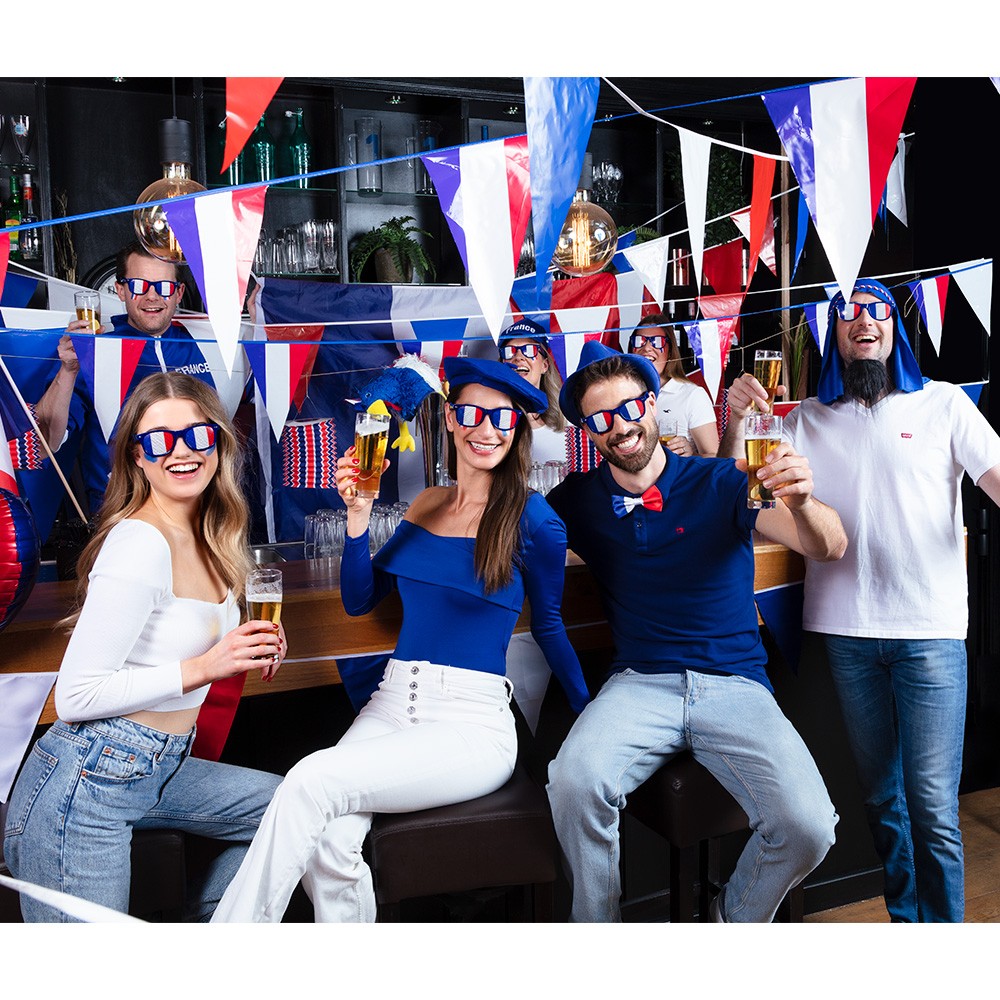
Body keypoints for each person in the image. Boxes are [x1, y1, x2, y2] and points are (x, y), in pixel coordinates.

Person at [212, 357, 590, 922]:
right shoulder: (427, 503)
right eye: (472, 413)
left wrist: (587, 718)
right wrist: (357, 516)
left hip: (471, 722)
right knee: (331, 840)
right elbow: (360, 600)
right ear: (451, 420)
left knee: (309, 780)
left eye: (502, 419)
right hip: (390, 703)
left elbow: (551, 627)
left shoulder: (534, 519)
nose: (486, 429)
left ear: (518, 431)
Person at [719, 278, 1000, 923]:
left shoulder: (945, 405)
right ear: (834, 337)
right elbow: (737, 486)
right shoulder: (805, 419)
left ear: (894, 328)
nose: (861, 320)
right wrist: (739, 419)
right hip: (845, 633)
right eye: (846, 312)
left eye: (874, 309)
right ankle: (908, 923)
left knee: (931, 805)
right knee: (881, 799)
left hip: (929, 632)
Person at [543, 340, 846, 922]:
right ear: (588, 431)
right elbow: (504, 527)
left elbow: (830, 545)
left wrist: (805, 502)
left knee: (809, 827)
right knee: (573, 782)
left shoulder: (723, 481)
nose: (622, 426)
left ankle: (726, 927)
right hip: (639, 684)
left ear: (655, 404)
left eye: (631, 407)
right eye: (602, 418)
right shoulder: (575, 500)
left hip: (735, 685)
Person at [2, 372, 286, 921]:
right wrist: (207, 665)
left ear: (217, 442)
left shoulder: (214, 533)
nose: (180, 452)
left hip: (160, 768)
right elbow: (76, 697)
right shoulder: (139, 543)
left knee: (295, 810)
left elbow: (177, 634)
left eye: (196, 435)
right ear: (137, 456)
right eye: (159, 440)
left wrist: (251, 644)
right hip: (86, 783)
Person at [32, 241, 220, 516]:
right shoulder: (95, 350)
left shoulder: (212, 346)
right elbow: (42, 443)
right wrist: (68, 370)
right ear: (120, 290)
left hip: (201, 507)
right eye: (139, 286)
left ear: (179, 293)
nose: (152, 297)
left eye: (164, 287)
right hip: (122, 508)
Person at [628, 312, 720, 457]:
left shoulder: (693, 395)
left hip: (681, 479)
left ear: (670, 352)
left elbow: (713, 456)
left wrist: (691, 454)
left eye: (657, 342)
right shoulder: (624, 395)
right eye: (640, 341)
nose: (646, 348)